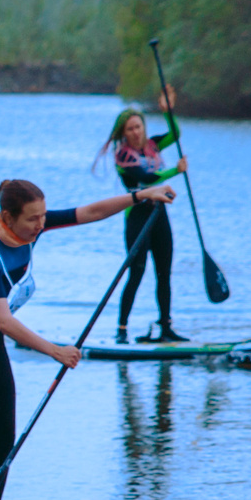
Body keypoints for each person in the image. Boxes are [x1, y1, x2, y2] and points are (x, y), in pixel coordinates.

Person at [0, 175, 175, 500]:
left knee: (5, 439)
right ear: (8, 217)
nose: (41, 224)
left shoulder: (30, 228)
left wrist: (142, 196)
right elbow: (3, 320)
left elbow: (90, 212)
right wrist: (56, 350)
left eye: (44, 216)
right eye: (32, 218)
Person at [96, 103, 187, 342]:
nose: (136, 132)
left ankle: (166, 327)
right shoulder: (123, 155)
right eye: (130, 129)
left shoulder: (153, 145)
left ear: (144, 128)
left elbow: (175, 134)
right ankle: (122, 329)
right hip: (137, 217)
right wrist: (175, 171)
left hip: (159, 215)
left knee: (164, 273)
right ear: (123, 133)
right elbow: (147, 178)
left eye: (138, 127)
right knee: (136, 272)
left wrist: (168, 110)